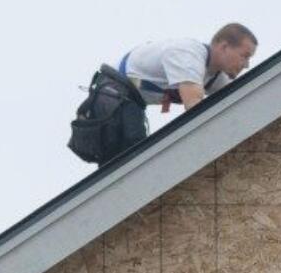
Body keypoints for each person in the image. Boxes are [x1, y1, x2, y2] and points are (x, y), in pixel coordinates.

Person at [68, 23, 258, 166]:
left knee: (133, 159)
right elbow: (196, 110)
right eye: (245, 56)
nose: (247, 64)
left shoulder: (214, 73)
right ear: (224, 47)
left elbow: (237, 102)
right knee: (132, 160)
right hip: (114, 96)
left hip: (129, 100)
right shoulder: (189, 55)